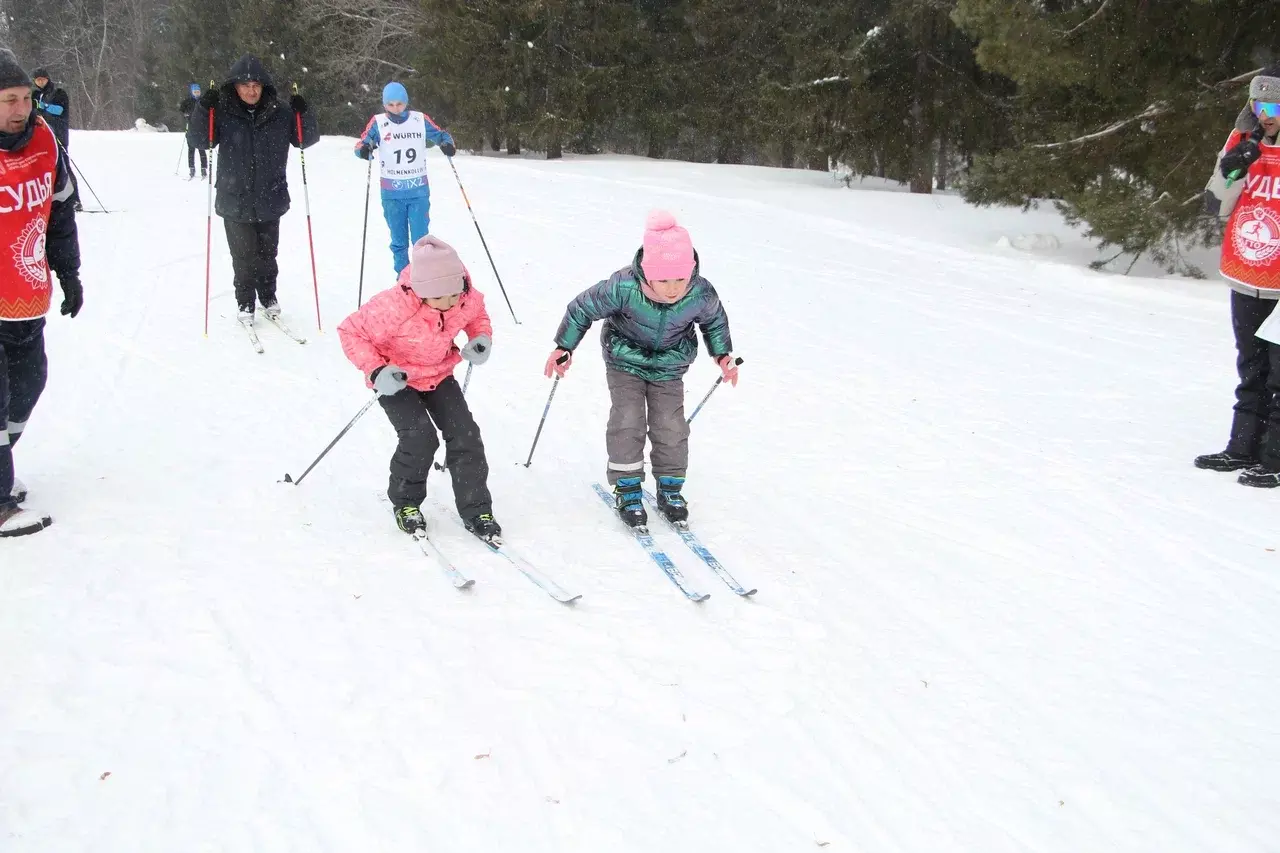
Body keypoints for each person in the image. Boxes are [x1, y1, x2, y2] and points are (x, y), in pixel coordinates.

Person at [543, 210, 738, 527]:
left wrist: (723, 355)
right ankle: (628, 486)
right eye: (663, 280)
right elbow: (582, 308)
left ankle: (670, 487)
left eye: (680, 279)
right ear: (647, 273)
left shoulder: (700, 292)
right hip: (624, 360)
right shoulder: (623, 287)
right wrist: (564, 347)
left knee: (670, 425)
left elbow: (714, 321)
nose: (673, 288)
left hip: (670, 365)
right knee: (628, 418)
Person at [337, 235, 501, 541]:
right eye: (441, 299)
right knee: (420, 438)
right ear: (421, 292)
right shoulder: (391, 307)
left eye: (455, 295)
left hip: (439, 373)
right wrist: (376, 369)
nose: (451, 303)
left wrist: (480, 338)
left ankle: (477, 508)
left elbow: (476, 315)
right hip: (397, 379)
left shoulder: (463, 294)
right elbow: (350, 332)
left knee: (466, 434)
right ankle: (406, 502)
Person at [0, 50, 84, 537]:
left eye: (25, 98)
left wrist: (69, 274)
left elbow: (60, 213)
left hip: (28, 294)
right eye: (9, 100)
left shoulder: (44, 141)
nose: (20, 108)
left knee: (28, 387)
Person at [188, 55, 318, 326]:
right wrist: (203, 109)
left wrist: (302, 112)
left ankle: (268, 296)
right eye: (245, 85)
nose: (251, 90)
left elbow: (305, 140)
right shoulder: (222, 111)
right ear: (234, 87)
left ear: (264, 87)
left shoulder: (280, 112)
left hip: (270, 195)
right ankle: (245, 300)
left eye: (256, 85)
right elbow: (200, 140)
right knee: (243, 256)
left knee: (268, 254)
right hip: (234, 198)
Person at [1198, 70, 1280, 488]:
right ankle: (1242, 447)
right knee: (1250, 365)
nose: (1264, 115)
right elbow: (1215, 206)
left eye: (1274, 107)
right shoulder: (1241, 140)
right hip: (1246, 272)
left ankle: (1275, 457)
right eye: (1258, 106)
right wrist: (1234, 170)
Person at [354, 82, 457, 274]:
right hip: (392, 193)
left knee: (421, 241)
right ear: (384, 104)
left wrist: (447, 144)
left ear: (406, 102)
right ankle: (403, 280)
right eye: (390, 104)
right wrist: (364, 150)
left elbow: (441, 135)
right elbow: (362, 143)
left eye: (399, 104)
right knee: (398, 241)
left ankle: (423, 278)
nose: (395, 108)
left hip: (417, 191)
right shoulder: (378, 123)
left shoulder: (419, 120)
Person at [31, 67, 78, 210]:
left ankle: (75, 199)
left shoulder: (58, 93)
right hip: (41, 137)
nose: (40, 82)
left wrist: (42, 106)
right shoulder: (35, 94)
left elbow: (59, 110)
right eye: (37, 80)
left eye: (42, 79)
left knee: (64, 167)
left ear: (47, 79)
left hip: (58, 135)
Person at [177, 82, 208, 180]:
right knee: (191, 150)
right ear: (192, 92)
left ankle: (204, 169)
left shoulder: (203, 101)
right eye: (195, 92)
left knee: (201, 150)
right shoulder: (187, 101)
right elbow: (181, 110)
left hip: (201, 130)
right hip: (190, 129)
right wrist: (185, 115)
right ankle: (192, 168)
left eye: (198, 91)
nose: (197, 93)